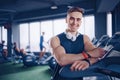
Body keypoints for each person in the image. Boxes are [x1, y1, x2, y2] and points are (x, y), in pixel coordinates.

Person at [50, 7, 105, 80]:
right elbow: (62, 60)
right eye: (72, 18)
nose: (75, 23)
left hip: (78, 77)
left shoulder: (85, 38)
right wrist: (87, 54)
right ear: (66, 20)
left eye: (78, 19)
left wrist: (88, 61)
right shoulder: (55, 39)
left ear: (81, 22)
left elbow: (98, 54)